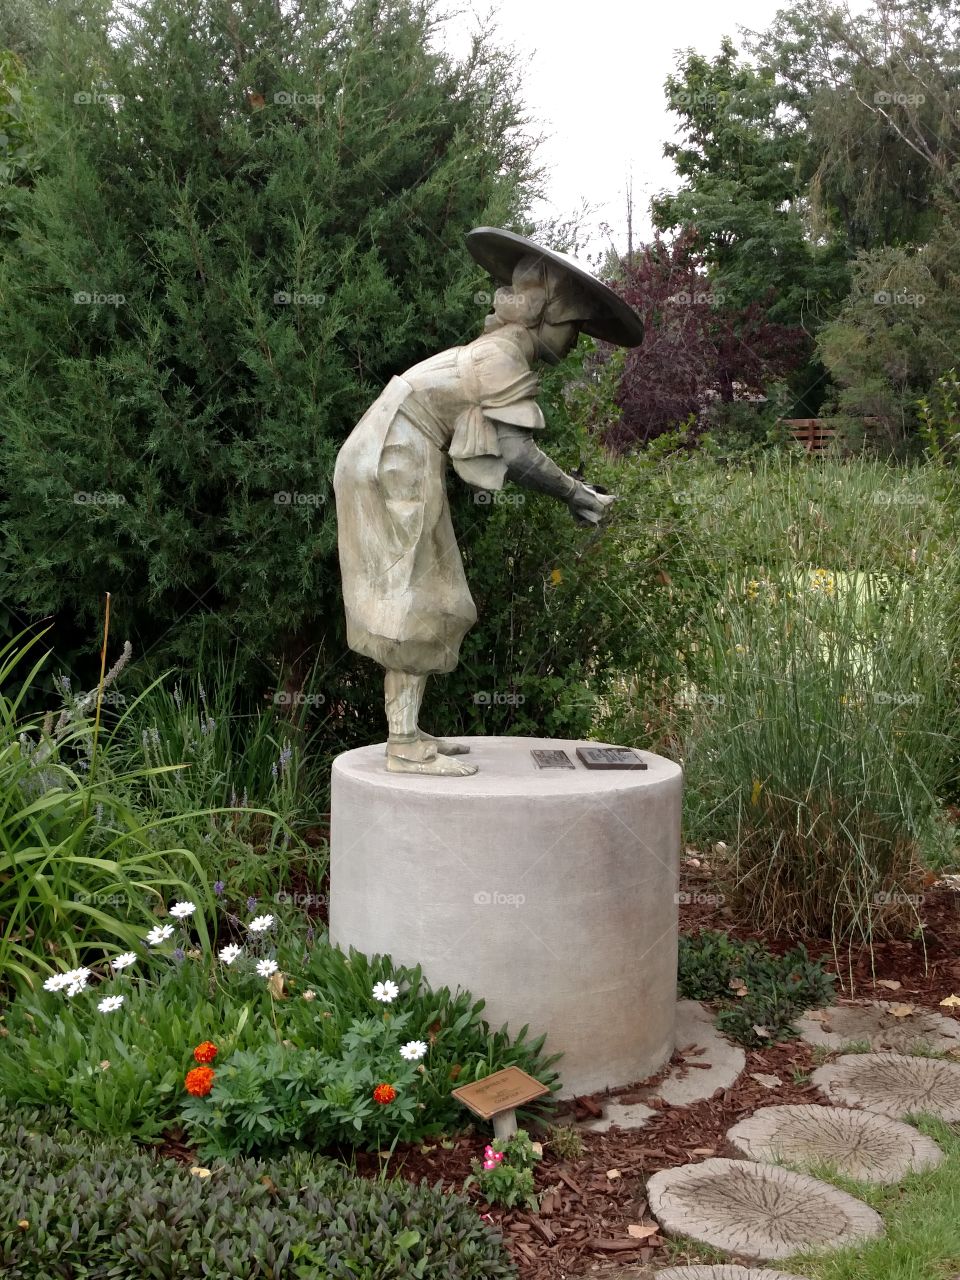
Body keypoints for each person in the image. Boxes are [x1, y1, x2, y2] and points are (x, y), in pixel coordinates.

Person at [333, 228, 644, 775]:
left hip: (395, 447)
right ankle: (403, 745)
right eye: (573, 326)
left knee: (428, 589)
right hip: (391, 453)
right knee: (416, 591)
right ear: (543, 317)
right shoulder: (499, 358)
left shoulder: (498, 353)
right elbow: (516, 453)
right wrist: (578, 494)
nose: (576, 342)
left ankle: (407, 732)